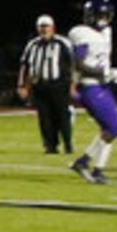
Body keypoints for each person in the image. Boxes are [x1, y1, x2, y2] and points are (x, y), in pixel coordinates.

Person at [67, 0, 117, 185]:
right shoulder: (81, 33)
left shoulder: (106, 32)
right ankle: (88, 165)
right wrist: (103, 72)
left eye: (107, 15)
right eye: (102, 15)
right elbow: (79, 63)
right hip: (89, 85)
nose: (105, 19)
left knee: (109, 129)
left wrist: (109, 73)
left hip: (101, 85)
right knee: (114, 128)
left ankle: (93, 168)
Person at [17, 16, 73, 157]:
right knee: (45, 118)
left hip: (59, 85)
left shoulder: (63, 43)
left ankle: (68, 144)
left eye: (46, 26)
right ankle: (50, 146)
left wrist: (73, 84)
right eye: (41, 26)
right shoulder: (32, 45)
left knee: (62, 116)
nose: (44, 29)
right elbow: (25, 66)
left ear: (52, 27)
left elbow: (73, 64)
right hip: (39, 86)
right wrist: (22, 85)